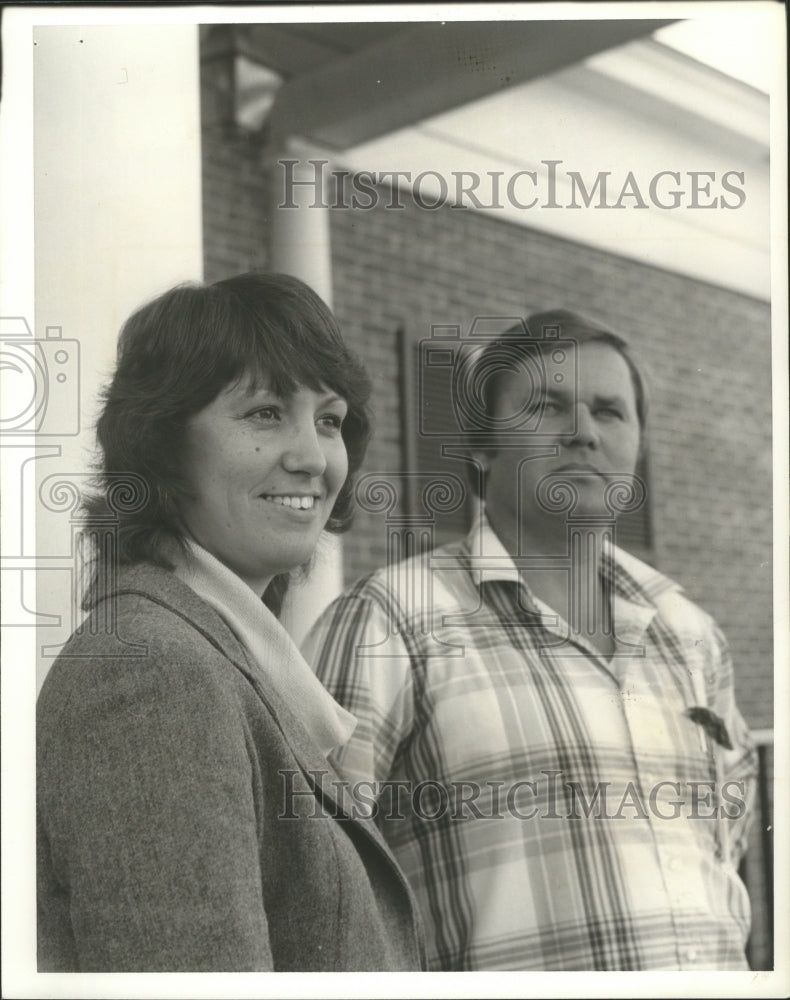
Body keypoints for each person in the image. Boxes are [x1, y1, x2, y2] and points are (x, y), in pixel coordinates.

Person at [303, 309, 756, 971]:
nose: (583, 434)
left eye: (609, 411)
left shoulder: (691, 635)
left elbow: (727, 855)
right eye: (547, 407)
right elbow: (316, 889)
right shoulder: (387, 620)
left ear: (638, 443)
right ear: (482, 449)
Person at [36, 272, 424, 972]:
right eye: (265, 413)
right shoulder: (151, 673)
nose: (312, 457)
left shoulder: (207, 656)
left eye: (329, 420)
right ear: (160, 444)